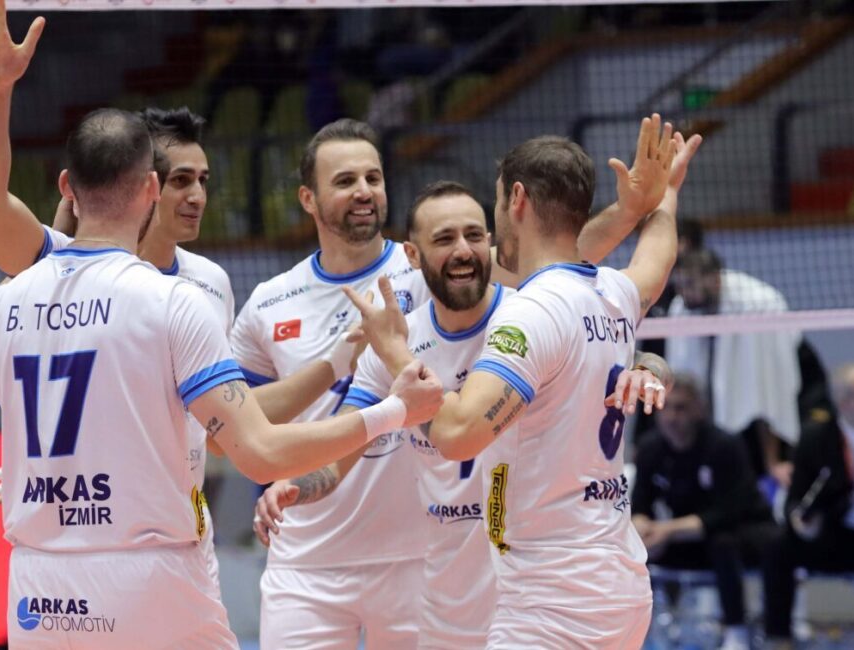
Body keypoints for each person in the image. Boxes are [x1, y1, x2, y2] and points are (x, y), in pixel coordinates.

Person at [0, 103, 443, 648]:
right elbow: (258, 451)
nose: (197, 194)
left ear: (66, 186)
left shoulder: (6, 303)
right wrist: (394, 410)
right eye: (181, 180)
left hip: (39, 585)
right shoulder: (174, 301)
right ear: (151, 188)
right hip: (147, 570)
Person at [233, 113, 685, 649]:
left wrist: (393, 352)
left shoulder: (522, 312)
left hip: (549, 586)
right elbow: (654, 266)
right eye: (445, 239)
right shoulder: (611, 291)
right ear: (415, 256)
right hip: (601, 575)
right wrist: (664, 197)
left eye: (477, 230)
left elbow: (457, 434)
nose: (465, 250)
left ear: (514, 204)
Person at [632, 374, 783, 650]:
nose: (672, 418)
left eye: (681, 408)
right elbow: (639, 505)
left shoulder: (725, 445)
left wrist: (666, 530)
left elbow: (726, 513)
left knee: (724, 541)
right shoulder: (650, 448)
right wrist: (642, 531)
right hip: (685, 534)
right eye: (665, 408)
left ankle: (736, 630)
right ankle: (633, 628)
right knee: (633, 546)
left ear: (699, 409)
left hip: (741, 529)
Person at [766, 363, 854, 648]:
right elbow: (795, 502)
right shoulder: (815, 438)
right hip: (835, 536)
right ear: (846, 403)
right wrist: (801, 523)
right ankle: (778, 639)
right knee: (778, 542)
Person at [665, 248, 802, 488]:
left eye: (690, 284)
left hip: (750, 438)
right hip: (706, 429)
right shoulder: (681, 307)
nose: (683, 292)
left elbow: (768, 391)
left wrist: (772, 461)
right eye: (679, 285)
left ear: (714, 279)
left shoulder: (758, 303)